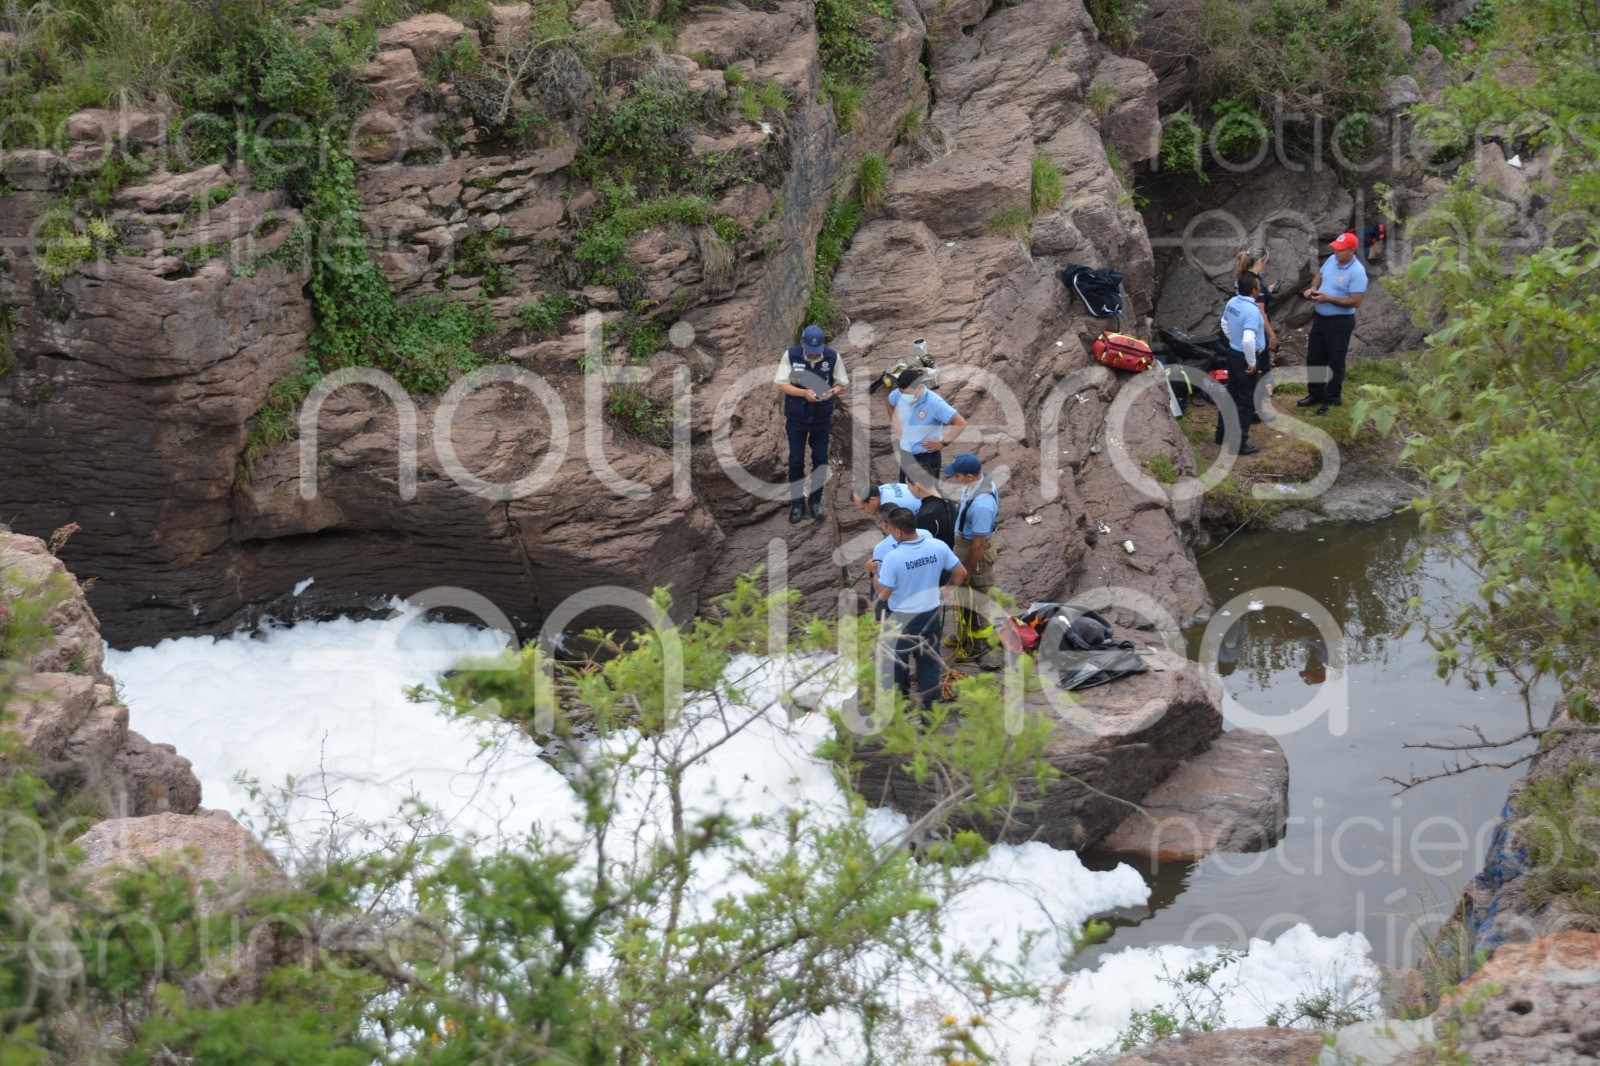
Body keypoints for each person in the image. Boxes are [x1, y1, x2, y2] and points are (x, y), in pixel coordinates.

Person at [874, 506, 967, 714]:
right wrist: (948, 590)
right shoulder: (938, 546)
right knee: (929, 663)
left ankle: (901, 708)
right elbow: (961, 572)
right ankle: (930, 713)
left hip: (902, 618)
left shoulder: (893, 557)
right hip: (930, 614)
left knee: (897, 663)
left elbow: (884, 594)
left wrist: (873, 574)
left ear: (898, 532)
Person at [775, 324, 847, 523]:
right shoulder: (791, 355)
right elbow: (781, 384)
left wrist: (831, 393)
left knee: (820, 459)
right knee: (796, 461)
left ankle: (815, 500)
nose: (814, 355)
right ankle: (797, 503)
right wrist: (804, 393)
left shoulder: (832, 356)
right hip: (797, 417)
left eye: (818, 351)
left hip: (821, 418)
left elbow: (841, 383)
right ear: (803, 344)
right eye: (811, 351)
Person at [1299, 232, 1368, 416]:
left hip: (1340, 322)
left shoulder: (1357, 272)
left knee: (1335, 361)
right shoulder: (1332, 259)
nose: (1336, 251)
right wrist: (1314, 288)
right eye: (1335, 248)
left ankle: (1332, 399)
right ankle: (1316, 394)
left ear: (1351, 250)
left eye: (1340, 249)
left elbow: (1355, 301)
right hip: (1321, 319)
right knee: (1315, 357)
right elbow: (1319, 275)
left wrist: (1328, 298)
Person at [942, 452, 1000, 653]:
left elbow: (978, 544)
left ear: (968, 476)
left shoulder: (983, 505)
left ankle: (980, 645)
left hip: (974, 551)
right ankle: (965, 634)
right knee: (963, 595)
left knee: (977, 596)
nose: (954, 477)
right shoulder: (976, 483)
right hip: (965, 543)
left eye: (957, 475)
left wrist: (967, 569)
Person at [886, 368, 965, 485]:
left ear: (919, 387)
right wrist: (896, 424)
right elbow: (889, 401)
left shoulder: (935, 403)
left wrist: (943, 443)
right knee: (904, 490)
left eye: (907, 393)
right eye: (901, 392)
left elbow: (960, 423)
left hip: (926, 457)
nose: (903, 396)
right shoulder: (899, 394)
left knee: (928, 491)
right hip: (906, 455)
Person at [1216, 273, 1264, 456]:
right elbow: (1249, 340)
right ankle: (1239, 442)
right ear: (1254, 290)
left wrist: (1232, 339)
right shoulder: (1252, 311)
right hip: (1245, 357)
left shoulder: (1232, 302)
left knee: (1231, 393)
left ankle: (1221, 434)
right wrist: (1252, 362)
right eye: (1258, 286)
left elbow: (1224, 323)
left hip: (1233, 353)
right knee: (1245, 400)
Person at [1234, 247, 1281, 419]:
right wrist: (1272, 335)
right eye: (1266, 261)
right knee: (1260, 369)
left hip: (1243, 328)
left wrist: (1267, 290)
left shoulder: (1243, 278)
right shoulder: (1255, 283)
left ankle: (1249, 406)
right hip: (1257, 331)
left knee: (1250, 368)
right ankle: (1256, 410)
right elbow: (1261, 312)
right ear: (1260, 262)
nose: (1266, 264)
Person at [909, 477, 956, 548]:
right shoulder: (946, 497)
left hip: (937, 552)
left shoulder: (924, 516)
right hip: (949, 548)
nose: (908, 489)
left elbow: (920, 547)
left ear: (917, 486)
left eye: (908, 486)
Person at [851, 481, 922, 518]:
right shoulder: (883, 487)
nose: (862, 512)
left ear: (872, 500)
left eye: (862, 508)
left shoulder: (889, 510)